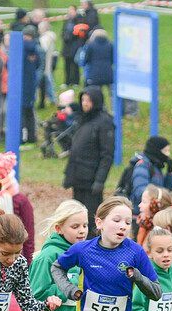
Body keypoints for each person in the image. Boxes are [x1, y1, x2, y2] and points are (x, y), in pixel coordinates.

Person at [63, 86, 115, 233]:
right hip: (78, 175)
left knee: (91, 220)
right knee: (77, 217)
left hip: (91, 179)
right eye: (83, 100)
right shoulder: (83, 119)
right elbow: (74, 146)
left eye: (89, 100)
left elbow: (107, 154)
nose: (85, 103)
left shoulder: (104, 122)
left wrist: (100, 180)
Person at [130, 136, 172, 217]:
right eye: (165, 151)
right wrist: (158, 199)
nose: (168, 154)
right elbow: (140, 191)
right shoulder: (143, 166)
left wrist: (170, 173)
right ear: (156, 151)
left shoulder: (157, 166)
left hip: (154, 210)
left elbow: (167, 190)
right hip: (141, 213)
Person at [21, 26, 41, 144]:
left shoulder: (21, 47)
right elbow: (38, 64)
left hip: (21, 83)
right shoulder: (35, 48)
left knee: (21, 112)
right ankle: (31, 136)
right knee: (29, 111)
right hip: (31, 82)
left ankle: (22, 137)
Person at [38, 21, 57, 109]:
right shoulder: (50, 36)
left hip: (45, 64)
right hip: (50, 62)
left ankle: (53, 99)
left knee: (47, 82)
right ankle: (52, 99)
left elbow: (42, 50)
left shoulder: (44, 38)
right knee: (48, 81)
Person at [62, 5, 83, 87]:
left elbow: (79, 33)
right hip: (66, 46)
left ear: (75, 11)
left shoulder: (79, 20)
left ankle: (75, 82)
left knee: (75, 64)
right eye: (69, 10)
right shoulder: (67, 20)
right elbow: (63, 31)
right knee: (66, 64)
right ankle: (67, 81)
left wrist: (71, 36)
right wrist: (64, 36)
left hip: (75, 45)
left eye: (71, 10)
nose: (69, 12)